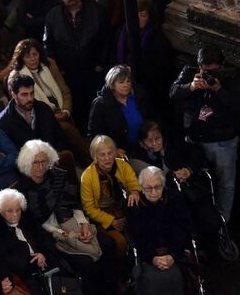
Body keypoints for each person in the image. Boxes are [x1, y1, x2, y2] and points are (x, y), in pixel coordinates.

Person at [14, 140, 117, 295]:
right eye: (36, 163)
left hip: (73, 221)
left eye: (44, 162)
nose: (41, 167)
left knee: (109, 244)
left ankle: (111, 288)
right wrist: (65, 234)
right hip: (51, 234)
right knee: (86, 263)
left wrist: (83, 225)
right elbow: (35, 225)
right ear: (27, 163)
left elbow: (73, 202)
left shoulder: (57, 175)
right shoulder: (22, 191)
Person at [169, 46, 240, 222]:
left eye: (214, 71)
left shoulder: (232, 77)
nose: (209, 75)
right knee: (195, 181)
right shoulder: (190, 72)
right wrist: (191, 87)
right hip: (194, 139)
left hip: (222, 141)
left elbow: (237, 105)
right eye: (206, 71)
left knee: (226, 183)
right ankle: (198, 219)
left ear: (221, 66)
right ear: (199, 66)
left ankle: (223, 222)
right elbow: (173, 93)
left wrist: (219, 90)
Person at [129, 121, 220, 249]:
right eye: (149, 141)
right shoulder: (138, 155)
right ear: (142, 142)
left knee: (210, 220)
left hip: (189, 190)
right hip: (164, 199)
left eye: (157, 139)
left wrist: (188, 170)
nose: (155, 143)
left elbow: (197, 153)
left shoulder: (175, 144)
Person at [127, 166, 192, 295]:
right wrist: (153, 258)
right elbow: (138, 238)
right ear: (141, 188)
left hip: (175, 250)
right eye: (148, 188)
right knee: (153, 275)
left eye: (158, 187)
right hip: (150, 254)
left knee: (178, 273)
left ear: (164, 185)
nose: (154, 192)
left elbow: (182, 229)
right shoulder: (135, 205)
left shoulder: (175, 199)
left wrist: (172, 255)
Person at [10, 38, 90, 165]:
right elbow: (28, 106)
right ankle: (90, 161)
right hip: (42, 117)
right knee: (68, 131)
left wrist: (66, 111)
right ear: (21, 59)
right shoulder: (16, 76)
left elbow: (65, 91)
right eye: (27, 56)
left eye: (35, 54)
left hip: (62, 110)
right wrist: (53, 116)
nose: (33, 59)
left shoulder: (49, 64)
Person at [44, 0, 110, 129]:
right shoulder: (53, 16)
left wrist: (101, 63)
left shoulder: (97, 10)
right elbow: (48, 45)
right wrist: (57, 69)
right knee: (77, 109)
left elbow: (107, 40)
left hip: (93, 70)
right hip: (68, 73)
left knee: (96, 107)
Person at [80, 135, 141, 257]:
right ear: (95, 156)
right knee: (120, 242)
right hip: (103, 218)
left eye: (110, 153)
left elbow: (134, 184)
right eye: (102, 155)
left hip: (125, 210)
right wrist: (111, 221)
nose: (107, 158)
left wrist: (135, 192)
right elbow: (89, 209)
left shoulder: (123, 166)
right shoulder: (87, 177)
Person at [115, 0, 173, 120]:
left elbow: (162, 70)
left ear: (150, 17)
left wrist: (135, 70)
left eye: (142, 15)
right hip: (121, 86)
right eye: (134, 15)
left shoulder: (157, 39)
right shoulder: (121, 32)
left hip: (147, 90)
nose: (137, 19)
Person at [88, 65, 153, 153]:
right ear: (112, 84)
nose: (126, 85)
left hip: (143, 148)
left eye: (128, 81)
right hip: (116, 153)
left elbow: (150, 121)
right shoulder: (100, 104)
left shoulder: (138, 97)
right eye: (121, 82)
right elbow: (95, 135)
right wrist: (113, 150)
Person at [0, 73, 68, 152]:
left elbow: (59, 138)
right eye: (24, 95)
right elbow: (9, 153)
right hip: (26, 163)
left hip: (53, 157)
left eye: (32, 93)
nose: (30, 99)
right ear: (13, 94)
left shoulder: (44, 109)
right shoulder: (3, 122)